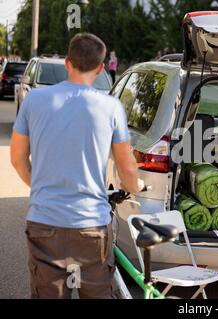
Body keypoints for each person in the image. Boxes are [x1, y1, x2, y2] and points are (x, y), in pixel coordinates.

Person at [10, 33, 145, 299]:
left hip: (44, 223)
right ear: (100, 68)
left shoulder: (34, 100)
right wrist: (136, 185)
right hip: (91, 227)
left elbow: (16, 158)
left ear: (67, 63)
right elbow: (127, 169)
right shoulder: (111, 107)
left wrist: (40, 186)